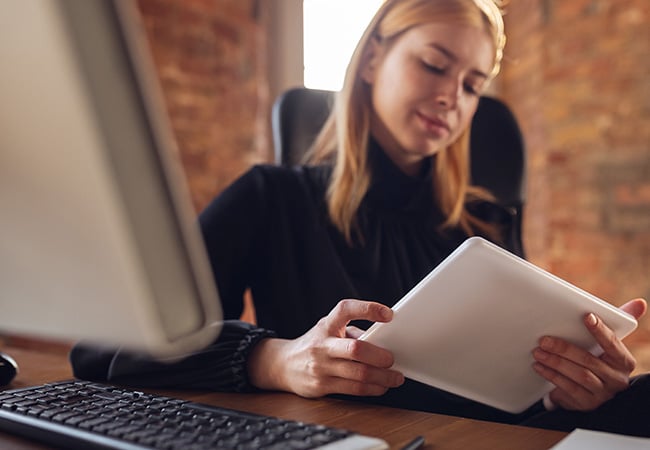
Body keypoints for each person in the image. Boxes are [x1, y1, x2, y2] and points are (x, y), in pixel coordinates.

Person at [71, 0, 650, 437]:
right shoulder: (272, 196)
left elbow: (512, 395)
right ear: (373, 57)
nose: (453, 97)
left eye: (473, 86)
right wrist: (273, 359)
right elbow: (105, 345)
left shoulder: (488, 223)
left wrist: (565, 389)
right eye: (434, 64)